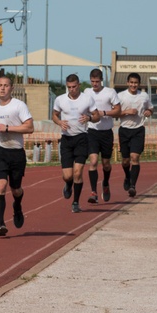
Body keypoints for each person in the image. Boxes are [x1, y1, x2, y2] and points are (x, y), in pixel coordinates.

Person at [0, 73, 34, 236]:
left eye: (6, 85)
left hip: (16, 152)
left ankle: (17, 206)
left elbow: (29, 128)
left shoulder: (19, 106)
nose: (3, 88)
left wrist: (7, 128)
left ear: (11, 88)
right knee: (0, 185)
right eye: (0, 85)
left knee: (16, 189)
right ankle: (0, 224)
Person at [52, 74, 98, 213]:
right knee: (68, 176)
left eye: (74, 87)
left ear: (79, 85)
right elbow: (54, 115)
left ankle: (76, 202)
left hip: (82, 138)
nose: (72, 89)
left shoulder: (87, 99)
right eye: (69, 87)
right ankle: (68, 185)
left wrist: (89, 117)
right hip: (66, 139)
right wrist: (60, 122)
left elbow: (96, 116)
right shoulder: (60, 99)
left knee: (78, 173)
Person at [84, 68, 121, 203]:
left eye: (97, 82)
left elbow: (118, 111)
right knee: (93, 161)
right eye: (92, 82)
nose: (95, 84)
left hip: (106, 132)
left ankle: (105, 183)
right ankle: (93, 192)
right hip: (92, 131)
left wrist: (103, 113)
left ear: (101, 81)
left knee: (106, 164)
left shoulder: (110, 92)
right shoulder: (87, 92)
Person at [116, 72, 154, 197]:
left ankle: (132, 186)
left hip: (138, 130)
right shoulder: (120, 96)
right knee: (126, 161)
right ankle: (127, 176)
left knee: (135, 158)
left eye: (136, 83)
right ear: (127, 83)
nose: (133, 85)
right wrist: (126, 112)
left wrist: (149, 111)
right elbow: (115, 113)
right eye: (131, 83)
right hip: (124, 130)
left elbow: (151, 108)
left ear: (139, 84)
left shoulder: (144, 96)